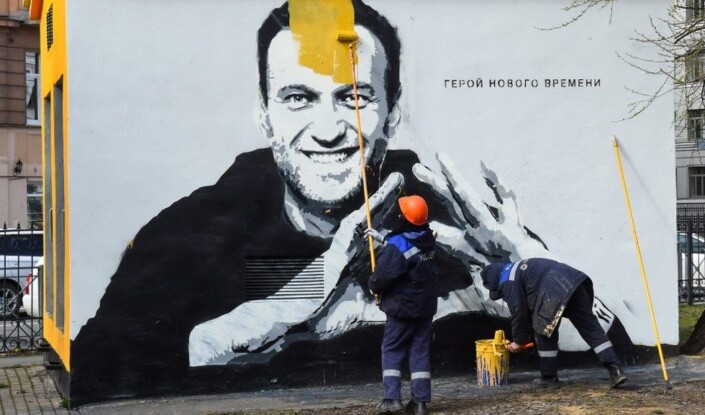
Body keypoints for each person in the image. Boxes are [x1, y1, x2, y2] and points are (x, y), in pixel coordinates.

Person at [70, 0, 625, 403]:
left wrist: (531, 266)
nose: (330, 128)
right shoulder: (191, 231)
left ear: (393, 112)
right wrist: (291, 300)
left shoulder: (460, 222)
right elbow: (100, 365)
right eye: (298, 97)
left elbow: (606, 338)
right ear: (264, 115)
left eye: (354, 96)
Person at [480, 259, 628, 388]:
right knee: (590, 327)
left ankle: (549, 376)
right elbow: (528, 310)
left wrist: (519, 341)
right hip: (574, 280)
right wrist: (526, 337)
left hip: (552, 286)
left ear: (493, 280)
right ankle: (616, 370)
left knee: (543, 331)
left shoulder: (507, 280)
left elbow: (519, 312)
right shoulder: (519, 268)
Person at [367, 195, 436, 415]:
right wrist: (384, 240)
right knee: (419, 351)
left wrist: (373, 285)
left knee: (392, 350)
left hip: (403, 308)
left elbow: (382, 276)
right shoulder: (428, 238)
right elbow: (410, 253)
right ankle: (420, 403)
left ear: (404, 217)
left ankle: (391, 400)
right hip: (425, 307)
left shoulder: (398, 244)